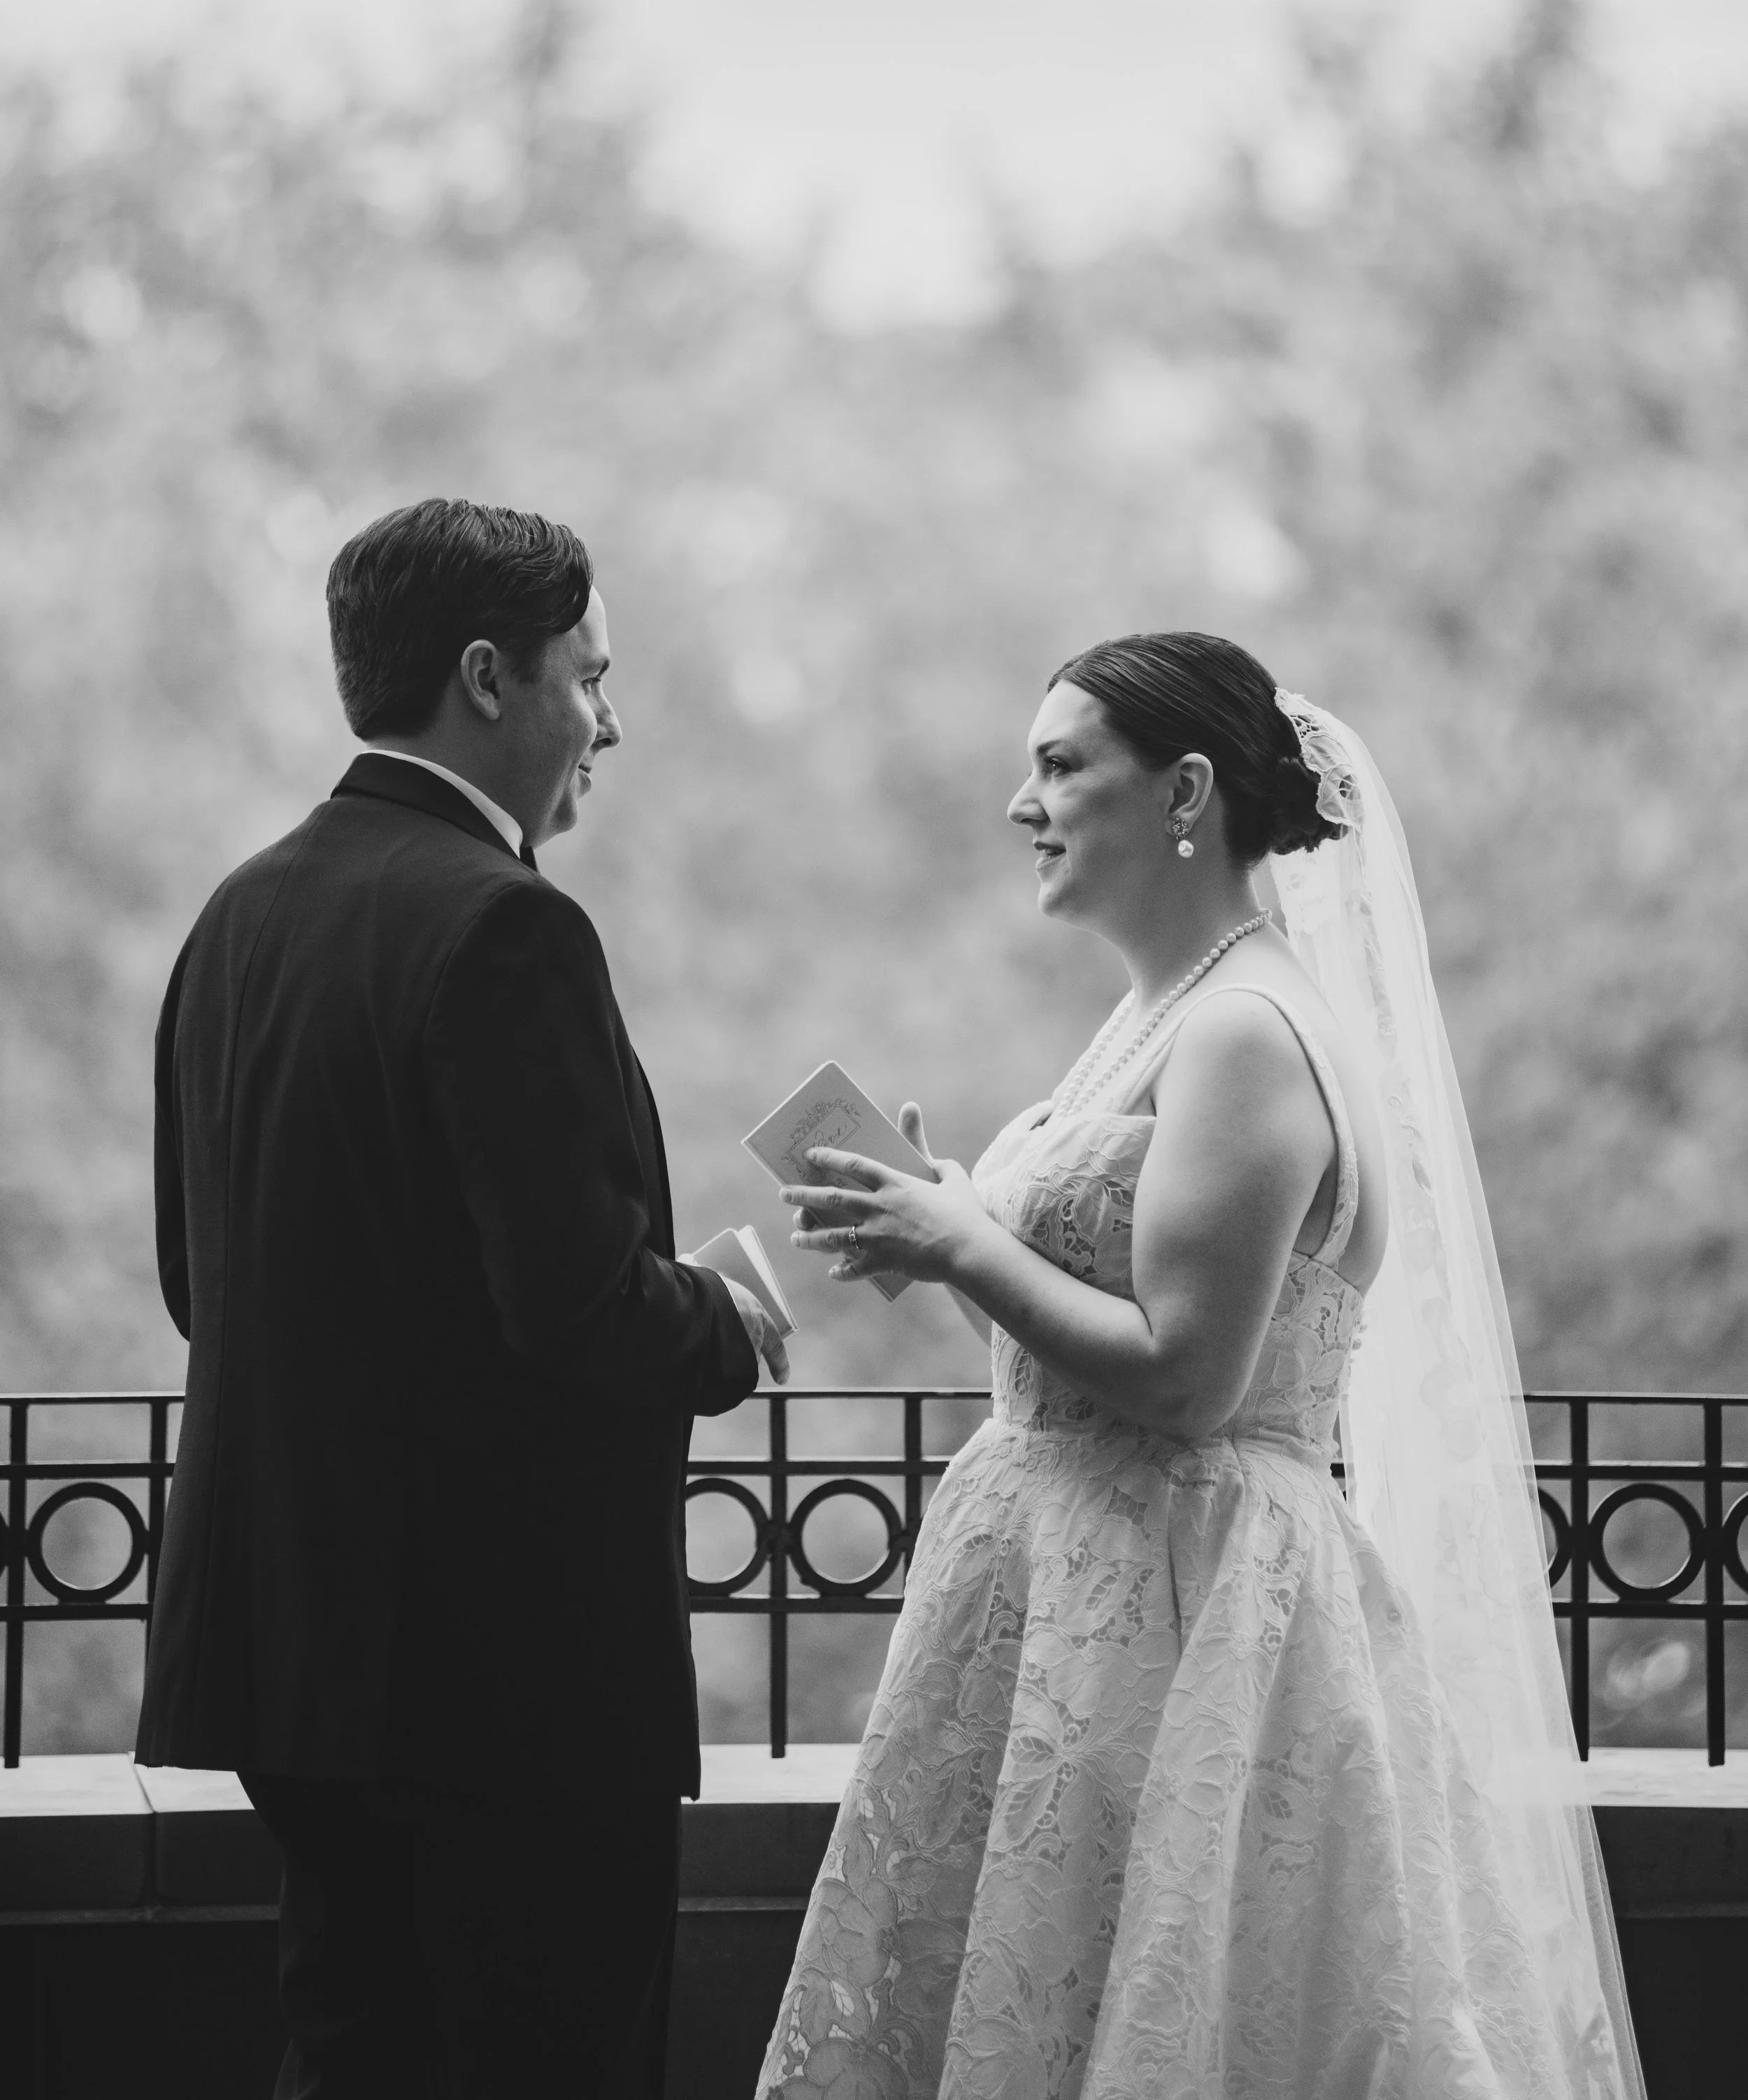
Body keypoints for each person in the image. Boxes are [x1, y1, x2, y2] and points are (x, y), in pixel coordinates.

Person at [757, 632, 1643, 2099]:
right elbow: (1067, 1362)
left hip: (1183, 1615)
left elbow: (1186, 1380)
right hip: (1070, 1605)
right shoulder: (1158, 1014)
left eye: (1056, 765)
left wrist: (967, 1240)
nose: (1017, 804)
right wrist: (945, 1230)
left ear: (1182, 790)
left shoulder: (1242, 1029)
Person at [136, 497, 789, 2100]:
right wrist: (723, 1318)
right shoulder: (508, 928)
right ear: (489, 678)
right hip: (500, 1684)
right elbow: (576, 1312)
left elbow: (191, 1281)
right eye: (591, 676)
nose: (608, 723)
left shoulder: (240, 915)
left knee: (358, 2056)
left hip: (292, 1665)